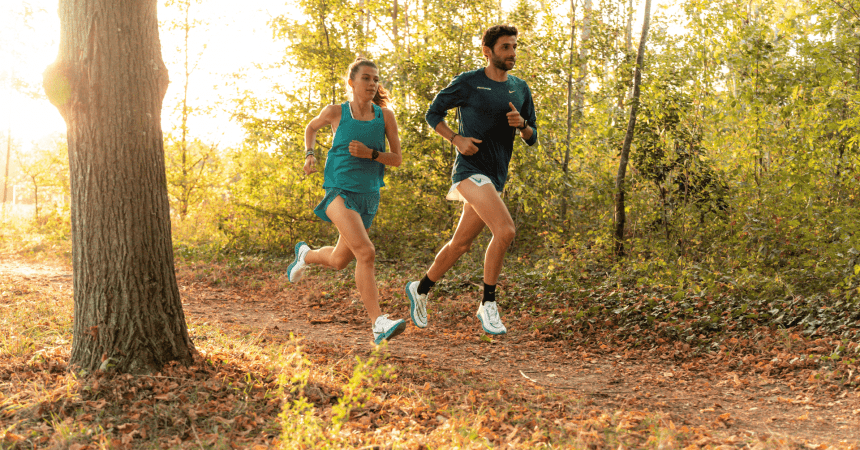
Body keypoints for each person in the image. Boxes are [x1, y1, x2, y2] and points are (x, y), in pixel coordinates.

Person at [405, 25, 538, 335]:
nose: (512, 53)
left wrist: (523, 126)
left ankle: (420, 289)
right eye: (506, 47)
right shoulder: (468, 83)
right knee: (505, 231)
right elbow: (432, 113)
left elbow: (532, 136)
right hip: (469, 171)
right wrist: (456, 139)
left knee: (461, 244)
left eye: (514, 47)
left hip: (495, 178)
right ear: (487, 52)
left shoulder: (520, 88)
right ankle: (487, 303)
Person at [287, 57, 407, 345]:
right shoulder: (336, 112)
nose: (372, 83)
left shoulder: (385, 117)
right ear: (351, 83)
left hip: (369, 196)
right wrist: (309, 154)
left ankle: (305, 255)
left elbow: (397, 159)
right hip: (338, 193)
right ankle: (378, 323)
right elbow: (311, 127)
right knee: (366, 252)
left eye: (376, 79)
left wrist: (371, 154)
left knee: (340, 260)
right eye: (366, 78)